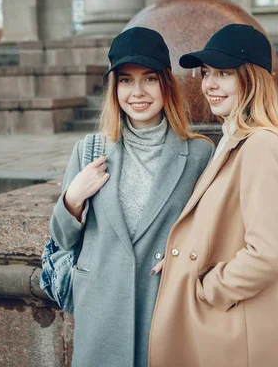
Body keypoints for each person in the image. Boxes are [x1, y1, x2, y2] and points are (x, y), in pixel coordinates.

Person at [48, 27, 214, 367]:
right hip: (101, 313)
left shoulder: (199, 154)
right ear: (115, 89)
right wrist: (74, 198)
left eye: (149, 79)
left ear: (166, 84)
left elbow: (213, 230)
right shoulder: (89, 150)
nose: (137, 92)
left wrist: (188, 258)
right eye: (126, 80)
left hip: (165, 309)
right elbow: (61, 239)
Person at [148, 24, 278, 367]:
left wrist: (210, 288)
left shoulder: (261, 145)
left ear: (252, 79)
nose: (209, 85)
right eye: (206, 73)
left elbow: (267, 255)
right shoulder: (238, 138)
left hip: (240, 336)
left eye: (223, 73)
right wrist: (182, 259)